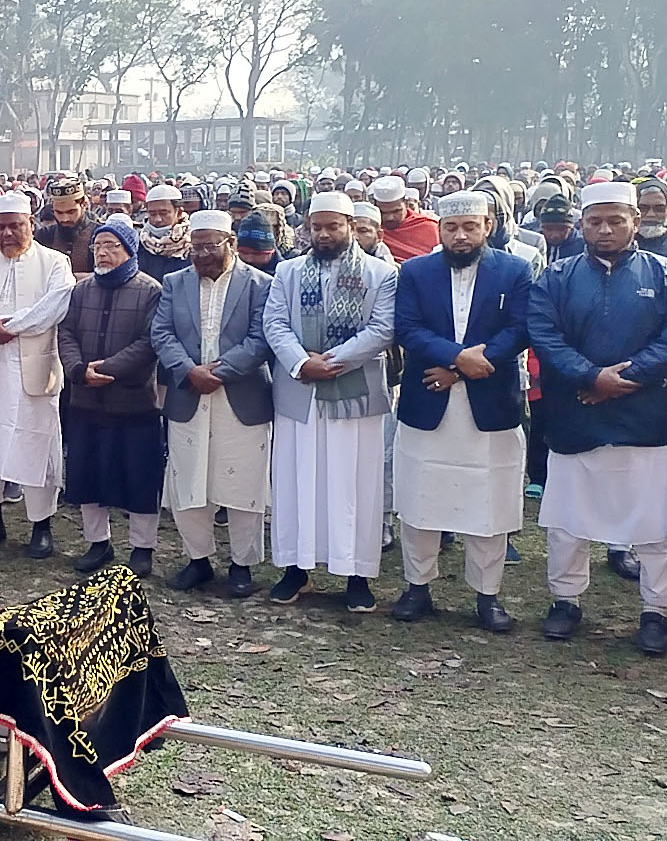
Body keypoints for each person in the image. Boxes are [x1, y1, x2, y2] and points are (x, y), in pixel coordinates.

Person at [527, 181, 667, 654]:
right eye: (595, 221)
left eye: (615, 220)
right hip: (577, 415)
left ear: (635, 222)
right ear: (581, 224)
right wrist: (591, 377)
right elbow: (545, 336)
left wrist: (626, 379)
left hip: (647, 419)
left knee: (656, 524)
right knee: (567, 521)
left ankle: (656, 611)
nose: (604, 229)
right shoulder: (554, 278)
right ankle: (565, 601)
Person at [389, 192, 534, 632]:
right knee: (420, 496)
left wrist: (463, 370)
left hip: (490, 403)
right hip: (428, 400)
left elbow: (521, 328)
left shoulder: (515, 270)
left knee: (490, 500)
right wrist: (460, 359)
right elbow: (408, 328)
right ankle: (417, 587)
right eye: (451, 227)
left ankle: (487, 595)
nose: (460, 235)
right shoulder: (415, 272)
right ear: (439, 229)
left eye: (470, 226)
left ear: (487, 226)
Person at [262, 191, 399, 612]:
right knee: (295, 481)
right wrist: (302, 363)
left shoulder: (381, 273)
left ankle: (356, 573)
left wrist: (333, 362)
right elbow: (274, 321)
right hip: (299, 392)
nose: (323, 234)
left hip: (355, 392)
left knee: (355, 485)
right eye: (316, 227)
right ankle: (295, 569)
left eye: (332, 226)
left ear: (351, 226)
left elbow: (382, 329)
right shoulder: (287, 271)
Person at [152, 210, 276, 597]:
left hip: (241, 397)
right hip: (189, 394)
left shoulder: (261, 285)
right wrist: (189, 371)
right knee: (190, 479)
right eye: (196, 245)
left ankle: (242, 564)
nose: (202, 253)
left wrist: (218, 373)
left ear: (231, 244)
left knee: (243, 482)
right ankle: (198, 560)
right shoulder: (174, 282)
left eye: (210, 245)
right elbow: (161, 332)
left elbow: (261, 339)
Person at [0, 191, 76, 557]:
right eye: (1, 227)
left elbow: (55, 305)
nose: (7, 234)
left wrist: (7, 328)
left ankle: (41, 526)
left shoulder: (55, 262)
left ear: (31, 225)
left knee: (36, 444)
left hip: (34, 371)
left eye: (15, 226)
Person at [57, 217, 164, 575]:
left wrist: (110, 369)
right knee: (88, 476)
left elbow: (150, 342)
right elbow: (66, 334)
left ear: (129, 250)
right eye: (98, 246)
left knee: (140, 478)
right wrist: (78, 371)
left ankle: (142, 548)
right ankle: (97, 543)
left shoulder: (150, 290)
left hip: (133, 403)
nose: (102, 253)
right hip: (86, 400)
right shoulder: (82, 290)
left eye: (111, 246)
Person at [368, 175, 439, 262]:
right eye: (383, 212)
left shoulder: (428, 227)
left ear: (406, 204)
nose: (390, 218)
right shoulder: (369, 230)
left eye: (396, 211)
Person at [37, 176, 95, 275]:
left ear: (83, 205)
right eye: (59, 213)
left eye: (71, 212)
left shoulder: (98, 234)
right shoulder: (44, 235)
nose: (64, 219)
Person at [138, 185, 192, 280]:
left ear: (178, 212)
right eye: (152, 214)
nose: (157, 219)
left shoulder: (192, 242)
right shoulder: (140, 242)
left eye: (163, 213)